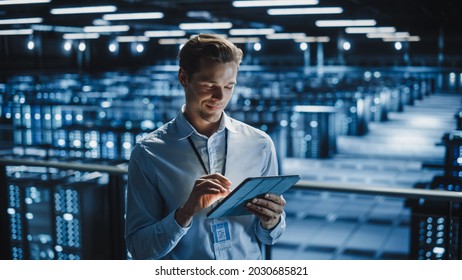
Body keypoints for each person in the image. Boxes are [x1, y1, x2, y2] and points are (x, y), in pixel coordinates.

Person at [125, 34, 286, 260]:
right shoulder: (149, 153)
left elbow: (270, 237)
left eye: (229, 86)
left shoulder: (259, 144)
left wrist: (272, 221)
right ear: (183, 78)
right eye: (209, 85)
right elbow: (139, 248)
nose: (220, 97)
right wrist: (185, 212)